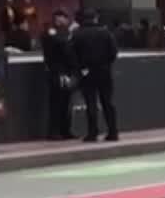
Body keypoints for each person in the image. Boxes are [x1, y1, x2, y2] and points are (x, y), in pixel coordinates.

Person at [72, 10, 120, 142]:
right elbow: (113, 52)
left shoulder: (77, 34)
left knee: (90, 103)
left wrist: (82, 68)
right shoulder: (105, 33)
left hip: (87, 72)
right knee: (107, 102)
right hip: (104, 71)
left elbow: (72, 54)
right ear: (96, 18)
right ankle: (113, 132)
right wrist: (106, 64)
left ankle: (92, 133)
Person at [41, 10, 77, 140]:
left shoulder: (67, 33)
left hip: (67, 71)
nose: (65, 21)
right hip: (57, 71)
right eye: (63, 18)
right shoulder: (51, 32)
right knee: (56, 102)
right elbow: (61, 46)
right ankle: (54, 131)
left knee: (66, 102)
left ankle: (65, 129)